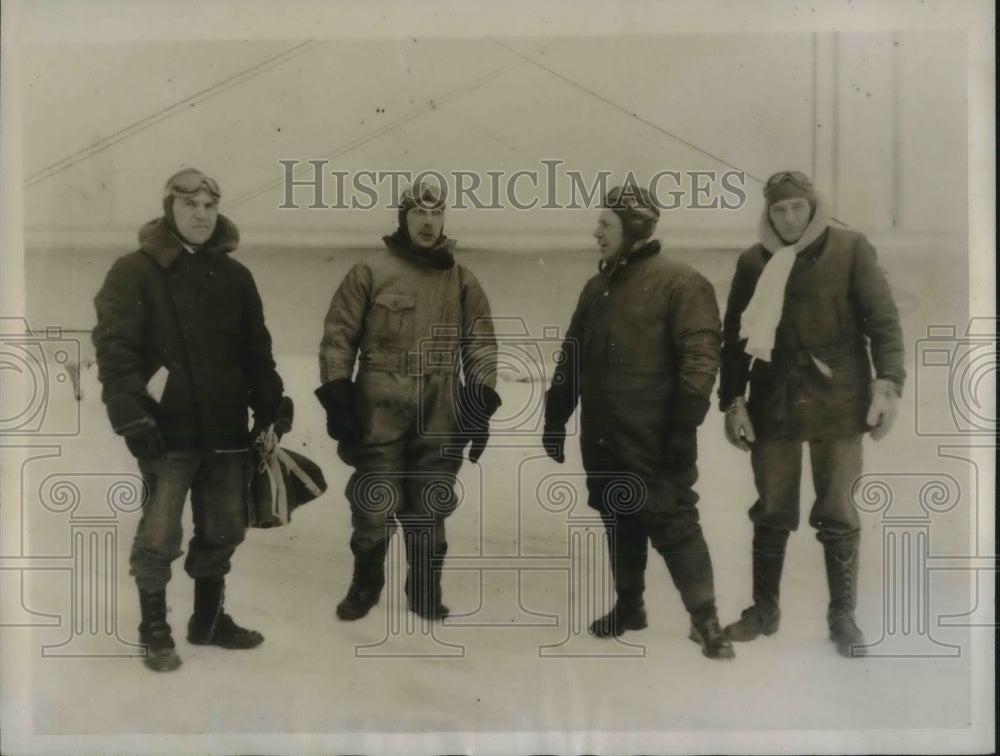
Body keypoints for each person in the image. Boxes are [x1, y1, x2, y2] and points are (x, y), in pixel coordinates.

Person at [93, 168, 285, 672]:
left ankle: (208, 620)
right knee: (160, 533)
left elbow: (256, 353)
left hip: (225, 430)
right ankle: (153, 630)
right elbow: (115, 351)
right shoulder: (133, 271)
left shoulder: (237, 277)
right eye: (190, 205)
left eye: (209, 206)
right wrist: (132, 415)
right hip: (166, 430)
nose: (201, 215)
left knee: (224, 527)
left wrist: (270, 407)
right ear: (169, 209)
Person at [543, 185, 734, 660]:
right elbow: (573, 353)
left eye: (605, 225)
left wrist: (683, 427)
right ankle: (630, 607)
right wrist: (555, 413)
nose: (596, 232)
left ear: (633, 228)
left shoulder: (682, 283)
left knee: (674, 523)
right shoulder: (598, 287)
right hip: (605, 434)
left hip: (656, 437)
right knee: (617, 517)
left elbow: (701, 360)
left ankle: (705, 620)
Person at [718, 170, 904, 657]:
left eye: (797, 207)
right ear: (768, 215)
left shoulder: (850, 249)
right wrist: (733, 401)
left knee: (837, 509)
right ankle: (765, 610)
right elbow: (736, 340)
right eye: (778, 210)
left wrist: (887, 388)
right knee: (772, 508)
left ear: (813, 206)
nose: (789, 218)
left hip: (838, 400)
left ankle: (842, 617)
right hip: (772, 400)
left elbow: (883, 321)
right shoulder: (753, 262)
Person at [316, 178, 499, 622]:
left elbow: (481, 344)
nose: (428, 221)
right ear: (403, 217)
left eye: (436, 213)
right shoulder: (370, 271)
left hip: (441, 406)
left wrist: (478, 406)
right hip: (380, 402)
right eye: (419, 212)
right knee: (374, 500)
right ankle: (366, 585)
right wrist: (338, 395)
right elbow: (338, 336)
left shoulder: (461, 280)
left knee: (430, 500)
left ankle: (423, 589)